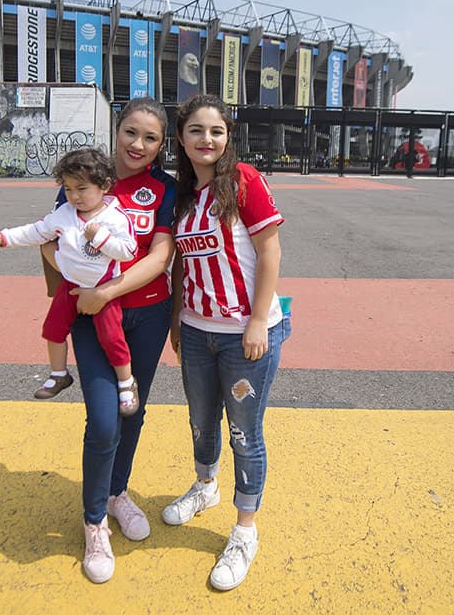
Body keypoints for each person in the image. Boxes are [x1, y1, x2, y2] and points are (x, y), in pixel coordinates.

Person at [43, 98, 175, 584]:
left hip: (147, 315)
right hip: (91, 319)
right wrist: (83, 286)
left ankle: (118, 493)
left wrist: (106, 290)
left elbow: (160, 256)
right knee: (102, 421)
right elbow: (48, 243)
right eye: (130, 133)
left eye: (151, 138)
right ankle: (94, 521)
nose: (138, 145)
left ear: (162, 145)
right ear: (116, 130)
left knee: (131, 411)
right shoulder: (84, 177)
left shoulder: (164, 188)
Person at [166, 93, 289, 591]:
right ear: (181, 138)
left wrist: (258, 320)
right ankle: (205, 486)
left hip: (245, 336)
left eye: (216, 131)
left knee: (244, 432)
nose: (207, 139)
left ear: (228, 137)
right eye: (196, 130)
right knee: (200, 420)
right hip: (197, 332)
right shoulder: (182, 195)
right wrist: (177, 322)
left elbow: (270, 250)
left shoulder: (243, 181)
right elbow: (179, 267)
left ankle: (245, 531)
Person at [0, 149, 140, 412]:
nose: (74, 196)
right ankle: (59, 374)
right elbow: (37, 231)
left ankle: (126, 382)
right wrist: (7, 237)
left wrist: (101, 238)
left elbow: (128, 251)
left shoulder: (114, 217)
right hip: (69, 286)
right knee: (53, 330)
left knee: (111, 337)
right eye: (68, 189)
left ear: (104, 186)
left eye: (81, 188)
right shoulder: (64, 214)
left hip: (102, 288)